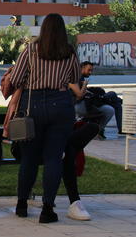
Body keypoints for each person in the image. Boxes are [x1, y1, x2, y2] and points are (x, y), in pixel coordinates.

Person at [9, 13, 83, 223]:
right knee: (53, 158)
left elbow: (16, 79)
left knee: (29, 158)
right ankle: (47, 209)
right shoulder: (69, 52)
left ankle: (22, 204)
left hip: (32, 105)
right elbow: (75, 78)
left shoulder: (31, 50)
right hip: (60, 104)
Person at [62, 120, 100, 221]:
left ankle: (74, 202)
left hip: (60, 136)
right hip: (37, 138)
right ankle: (74, 201)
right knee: (68, 153)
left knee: (93, 127)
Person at [75, 61, 122, 139]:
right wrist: (85, 87)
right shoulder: (76, 77)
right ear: (82, 68)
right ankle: (120, 128)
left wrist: (91, 91)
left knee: (112, 106)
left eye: (91, 70)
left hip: (89, 101)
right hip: (82, 104)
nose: (90, 72)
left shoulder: (81, 77)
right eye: (89, 70)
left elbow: (84, 92)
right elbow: (79, 95)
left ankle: (98, 131)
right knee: (113, 96)